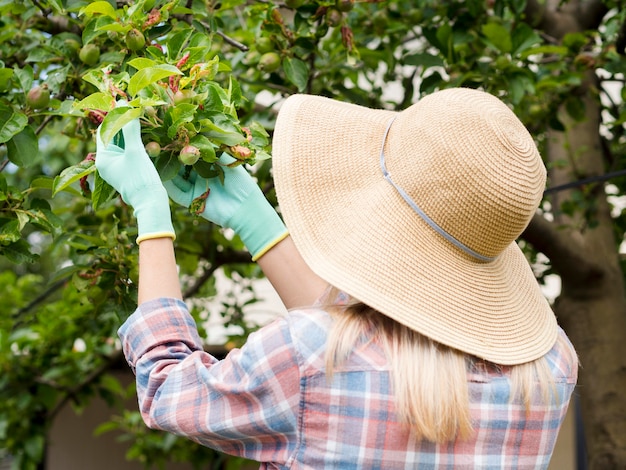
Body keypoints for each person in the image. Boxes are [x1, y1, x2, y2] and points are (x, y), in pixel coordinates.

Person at [95, 87, 578, 469]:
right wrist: (255, 222)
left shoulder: (306, 356)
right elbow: (362, 343)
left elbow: (165, 387)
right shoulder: (550, 370)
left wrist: (151, 213)